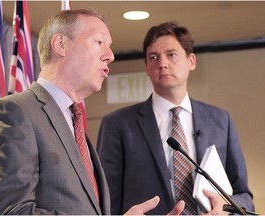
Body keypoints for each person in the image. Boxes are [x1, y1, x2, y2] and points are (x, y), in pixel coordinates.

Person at [0, 10, 185, 215]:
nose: (110, 56)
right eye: (99, 42)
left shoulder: (73, 122)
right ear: (61, 45)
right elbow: (10, 211)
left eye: (109, 47)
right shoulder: (14, 112)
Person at [97, 21, 254, 215]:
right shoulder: (118, 124)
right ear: (146, 66)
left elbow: (244, 196)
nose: (162, 63)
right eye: (153, 57)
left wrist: (226, 210)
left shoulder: (221, 120)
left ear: (191, 61)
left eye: (171, 55)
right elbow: (106, 202)